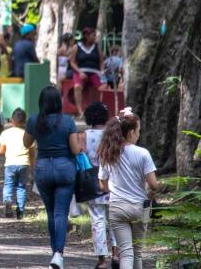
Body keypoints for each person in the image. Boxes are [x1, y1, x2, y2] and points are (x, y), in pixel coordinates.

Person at [24, 85, 82, 269]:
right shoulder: (67, 121)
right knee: (60, 213)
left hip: (43, 169)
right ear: (58, 102)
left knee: (50, 213)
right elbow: (74, 149)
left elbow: (26, 143)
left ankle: (55, 253)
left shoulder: (34, 120)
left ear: (41, 102)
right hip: (64, 168)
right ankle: (58, 253)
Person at [98, 108, 161, 269]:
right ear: (132, 132)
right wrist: (157, 189)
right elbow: (153, 184)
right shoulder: (142, 153)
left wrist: (115, 189)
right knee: (137, 252)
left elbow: (102, 184)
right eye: (138, 130)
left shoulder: (108, 152)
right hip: (139, 207)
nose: (139, 134)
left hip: (117, 207)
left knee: (126, 252)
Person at [79, 102, 119, 269]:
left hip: (93, 183)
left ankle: (102, 260)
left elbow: (80, 157)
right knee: (115, 220)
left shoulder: (84, 136)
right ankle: (116, 255)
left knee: (98, 221)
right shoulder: (114, 135)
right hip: (114, 182)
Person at [0, 108, 34, 220]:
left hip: (10, 164)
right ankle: (20, 210)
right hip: (24, 164)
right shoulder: (28, 135)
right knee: (21, 187)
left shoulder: (5, 133)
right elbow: (32, 153)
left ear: (12, 120)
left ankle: (8, 200)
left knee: (8, 184)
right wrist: (33, 169)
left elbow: (2, 151)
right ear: (25, 121)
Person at [69, 27, 105, 108]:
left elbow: (101, 62)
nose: (95, 37)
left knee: (103, 87)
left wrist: (102, 71)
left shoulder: (96, 47)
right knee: (77, 87)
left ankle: (96, 108)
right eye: (93, 35)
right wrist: (80, 72)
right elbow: (72, 62)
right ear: (86, 36)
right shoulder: (77, 46)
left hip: (95, 72)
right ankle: (80, 111)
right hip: (80, 71)